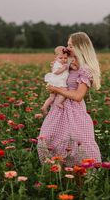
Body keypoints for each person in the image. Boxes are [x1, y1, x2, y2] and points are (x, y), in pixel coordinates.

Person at [37, 32, 102, 167]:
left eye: (71, 45)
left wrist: (57, 90)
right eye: (67, 45)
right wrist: (57, 67)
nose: (67, 48)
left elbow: (78, 96)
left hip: (74, 112)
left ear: (80, 48)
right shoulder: (70, 64)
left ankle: (84, 176)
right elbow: (60, 77)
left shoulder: (85, 70)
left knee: (79, 144)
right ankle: (57, 173)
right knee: (48, 140)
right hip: (58, 110)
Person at [41, 46, 69, 115]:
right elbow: (56, 72)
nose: (63, 59)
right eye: (60, 58)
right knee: (64, 92)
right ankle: (59, 102)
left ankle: (44, 107)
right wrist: (63, 68)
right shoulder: (57, 64)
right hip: (58, 83)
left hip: (54, 83)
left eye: (65, 58)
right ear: (56, 58)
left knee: (51, 97)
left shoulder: (61, 63)